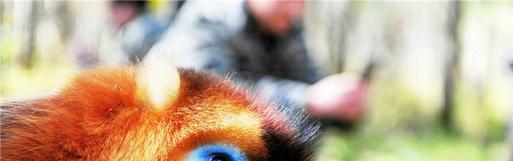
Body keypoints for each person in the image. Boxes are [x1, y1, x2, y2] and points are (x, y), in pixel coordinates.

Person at [150, 0, 368, 124]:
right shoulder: (209, 15)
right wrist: (308, 99)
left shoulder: (284, 26)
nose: (297, 9)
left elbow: (307, 81)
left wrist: (342, 102)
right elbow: (214, 91)